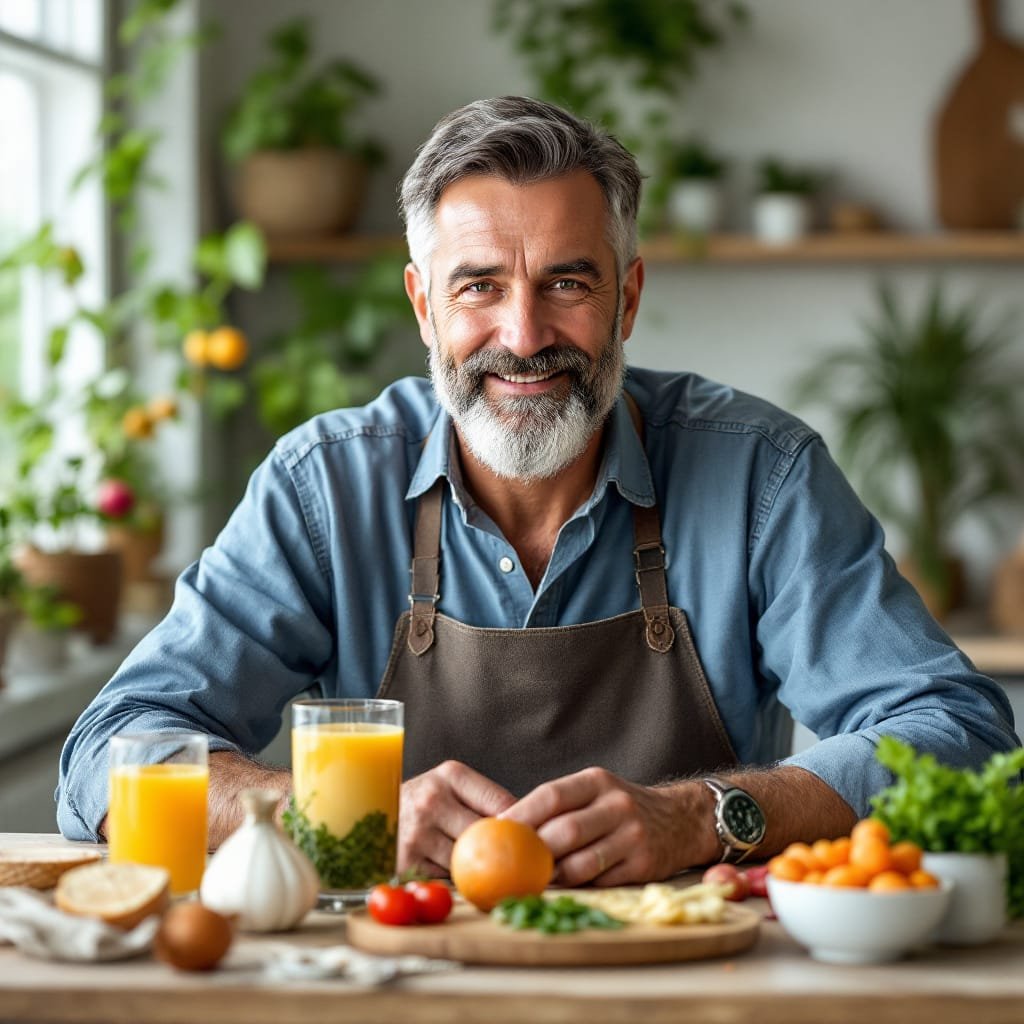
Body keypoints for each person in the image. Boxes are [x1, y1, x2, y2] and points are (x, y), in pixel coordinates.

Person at [57, 96, 1018, 886]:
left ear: (627, 299)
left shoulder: (762, 476)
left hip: (694, 982)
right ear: (423, 305)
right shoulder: (325, 487)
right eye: (479, 286)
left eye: (566, 283)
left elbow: (962, 736)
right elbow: (109, 754)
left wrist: (703, 815)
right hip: (391, 980)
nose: (523, 337)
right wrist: (333, 812)